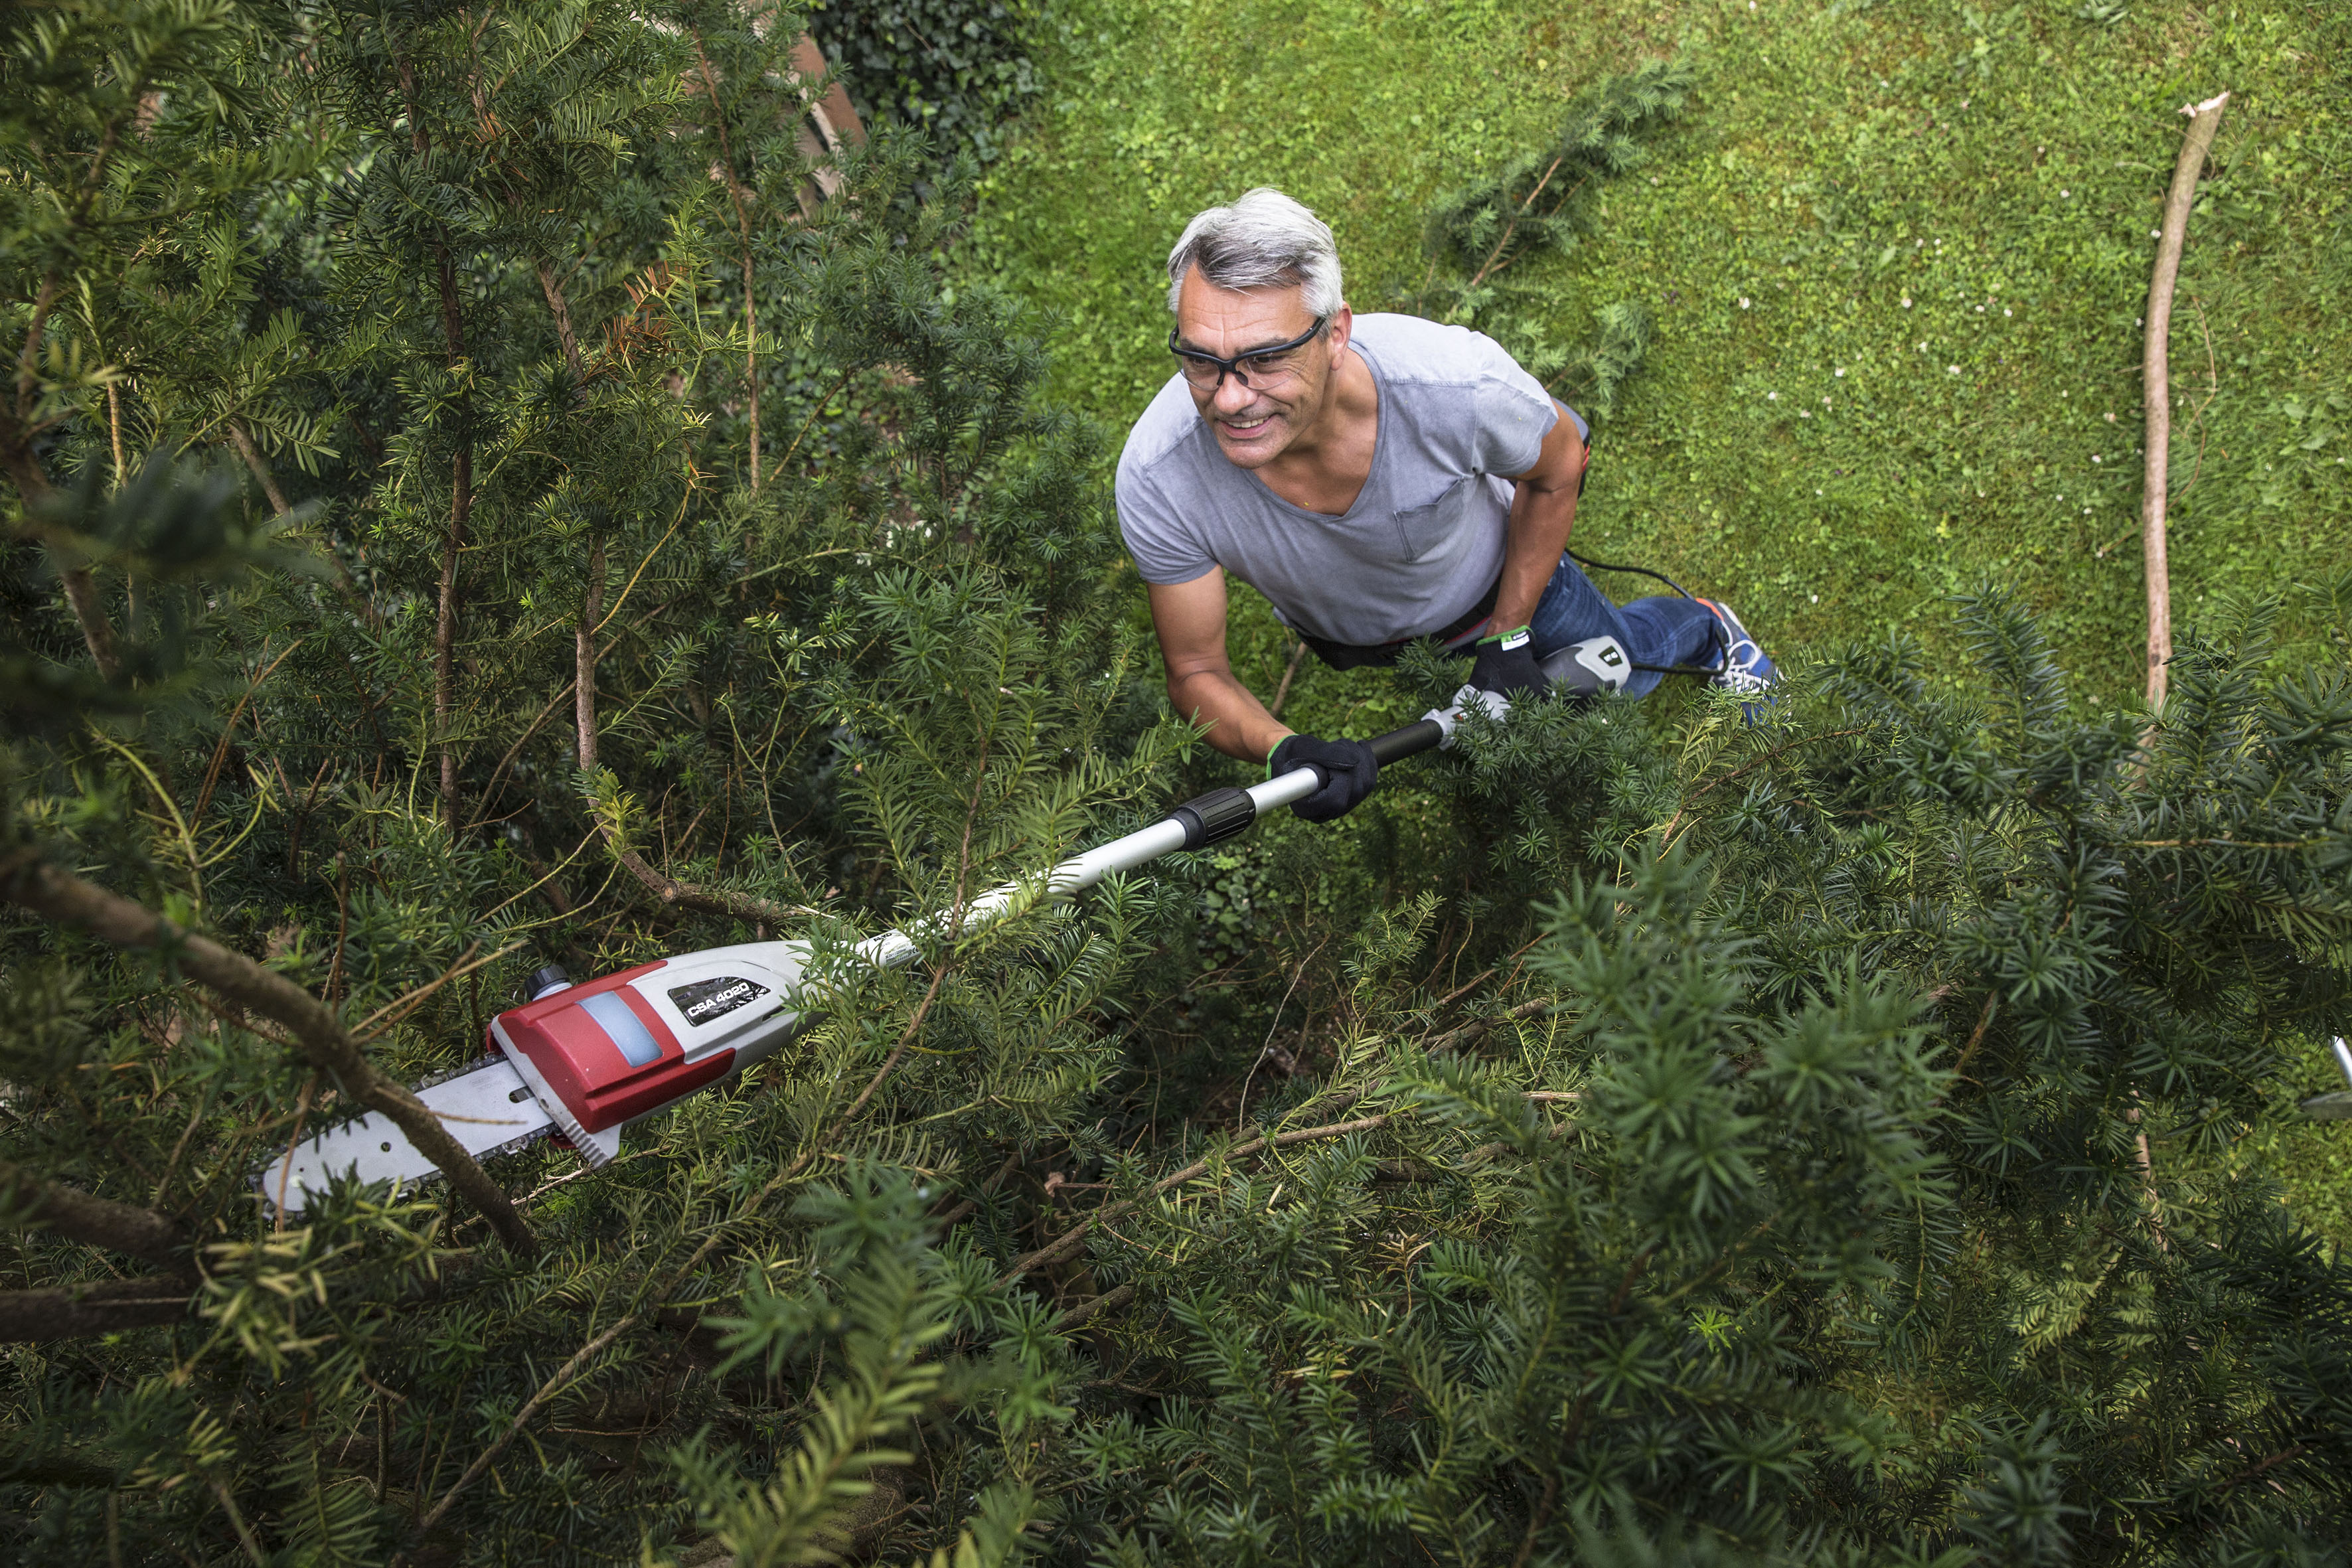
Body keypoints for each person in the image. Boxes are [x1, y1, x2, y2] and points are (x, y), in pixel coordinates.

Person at [1115, 187, 1774, 823]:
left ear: (1336, 335)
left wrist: (1509, 634)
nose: (1230, 398)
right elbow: (1196, 670)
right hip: (1365, 641)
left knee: (1618, 671)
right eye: (1203, 361)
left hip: (1507, 585)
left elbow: (1561, 465)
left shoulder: (1457, 386)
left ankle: (1710, 630)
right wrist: (1282, 750)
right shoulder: (1159, 476)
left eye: (1264, 359)